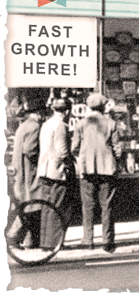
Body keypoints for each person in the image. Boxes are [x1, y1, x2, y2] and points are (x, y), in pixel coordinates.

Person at [71, 93, 121, 252]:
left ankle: (88, 240)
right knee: (107, 206)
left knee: (88, 206)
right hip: (107, 169)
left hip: (87, 169)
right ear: (103, 106)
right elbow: (117, 149)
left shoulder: (80, 124)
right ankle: (107, 241)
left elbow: (74, 148)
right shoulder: (111, 124)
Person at [38, 97, 78, 250]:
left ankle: (45, 241)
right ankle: (54, 242)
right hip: (58, 171)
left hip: (45, 170)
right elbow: (62, 151)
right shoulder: (61, 125)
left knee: (47, 207)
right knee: (59, 207)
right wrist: (70, 162)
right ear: (67, 111)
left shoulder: (46, 124)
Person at [9, 101, 44, 249]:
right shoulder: (34, 127)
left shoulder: (23, 126)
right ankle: (14, 236)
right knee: (31, 205)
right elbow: (30, 150)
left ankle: (31, 241)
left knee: (30, 206)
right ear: (37, 113)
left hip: (21, 172)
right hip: (29, 172)